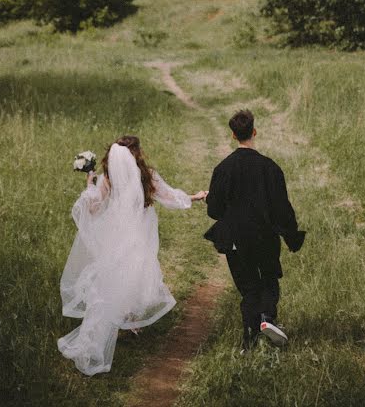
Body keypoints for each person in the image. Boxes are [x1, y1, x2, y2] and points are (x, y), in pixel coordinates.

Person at [58, 135, 207, 375]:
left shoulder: (108, 178)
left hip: (115, 232)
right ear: (136, 154)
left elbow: (94, 208)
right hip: (138, 232)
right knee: (135, 274)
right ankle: (126, 322)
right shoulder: (147, 175)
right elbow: (169, 197)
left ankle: (115, 325)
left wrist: (89, 184)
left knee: (111, 278)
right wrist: (194, 197)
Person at [205, 110, 305, 350]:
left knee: (248, 287)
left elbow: (215, 211)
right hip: (265, 237)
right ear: (254, 131)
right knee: (269, 279)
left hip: (236, 240)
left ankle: (249, 336)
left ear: (233, 135)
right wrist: (291, 236)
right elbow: (282, 208)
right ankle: (267, 318)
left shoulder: (223, 168)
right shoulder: (270, 168)